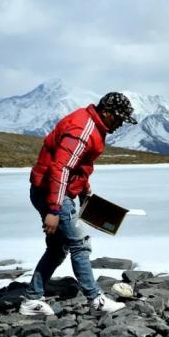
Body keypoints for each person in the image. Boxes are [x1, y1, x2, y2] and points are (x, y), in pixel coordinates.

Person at [20, 92, 137, 316]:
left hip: (51, 190)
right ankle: (96, 301)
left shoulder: (92, 125)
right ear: (106, 112)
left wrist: (83, 188)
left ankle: (32, 299)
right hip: (53, 193)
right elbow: (60, 168)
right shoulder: (83, 130)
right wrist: (54, 210)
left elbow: (76, 165)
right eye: (119, 118)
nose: (121, 123)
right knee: (79, 244)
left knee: (57, 249)